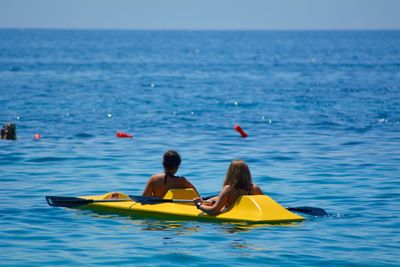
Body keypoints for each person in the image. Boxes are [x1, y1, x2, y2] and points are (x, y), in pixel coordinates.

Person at [193, 160, 263, 215]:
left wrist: (199, 205)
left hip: (231, 225)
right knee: (215, 198)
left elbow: (213, 211)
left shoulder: (229, 189)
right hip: (248, 215)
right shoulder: (254, 188)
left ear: (230, 173)